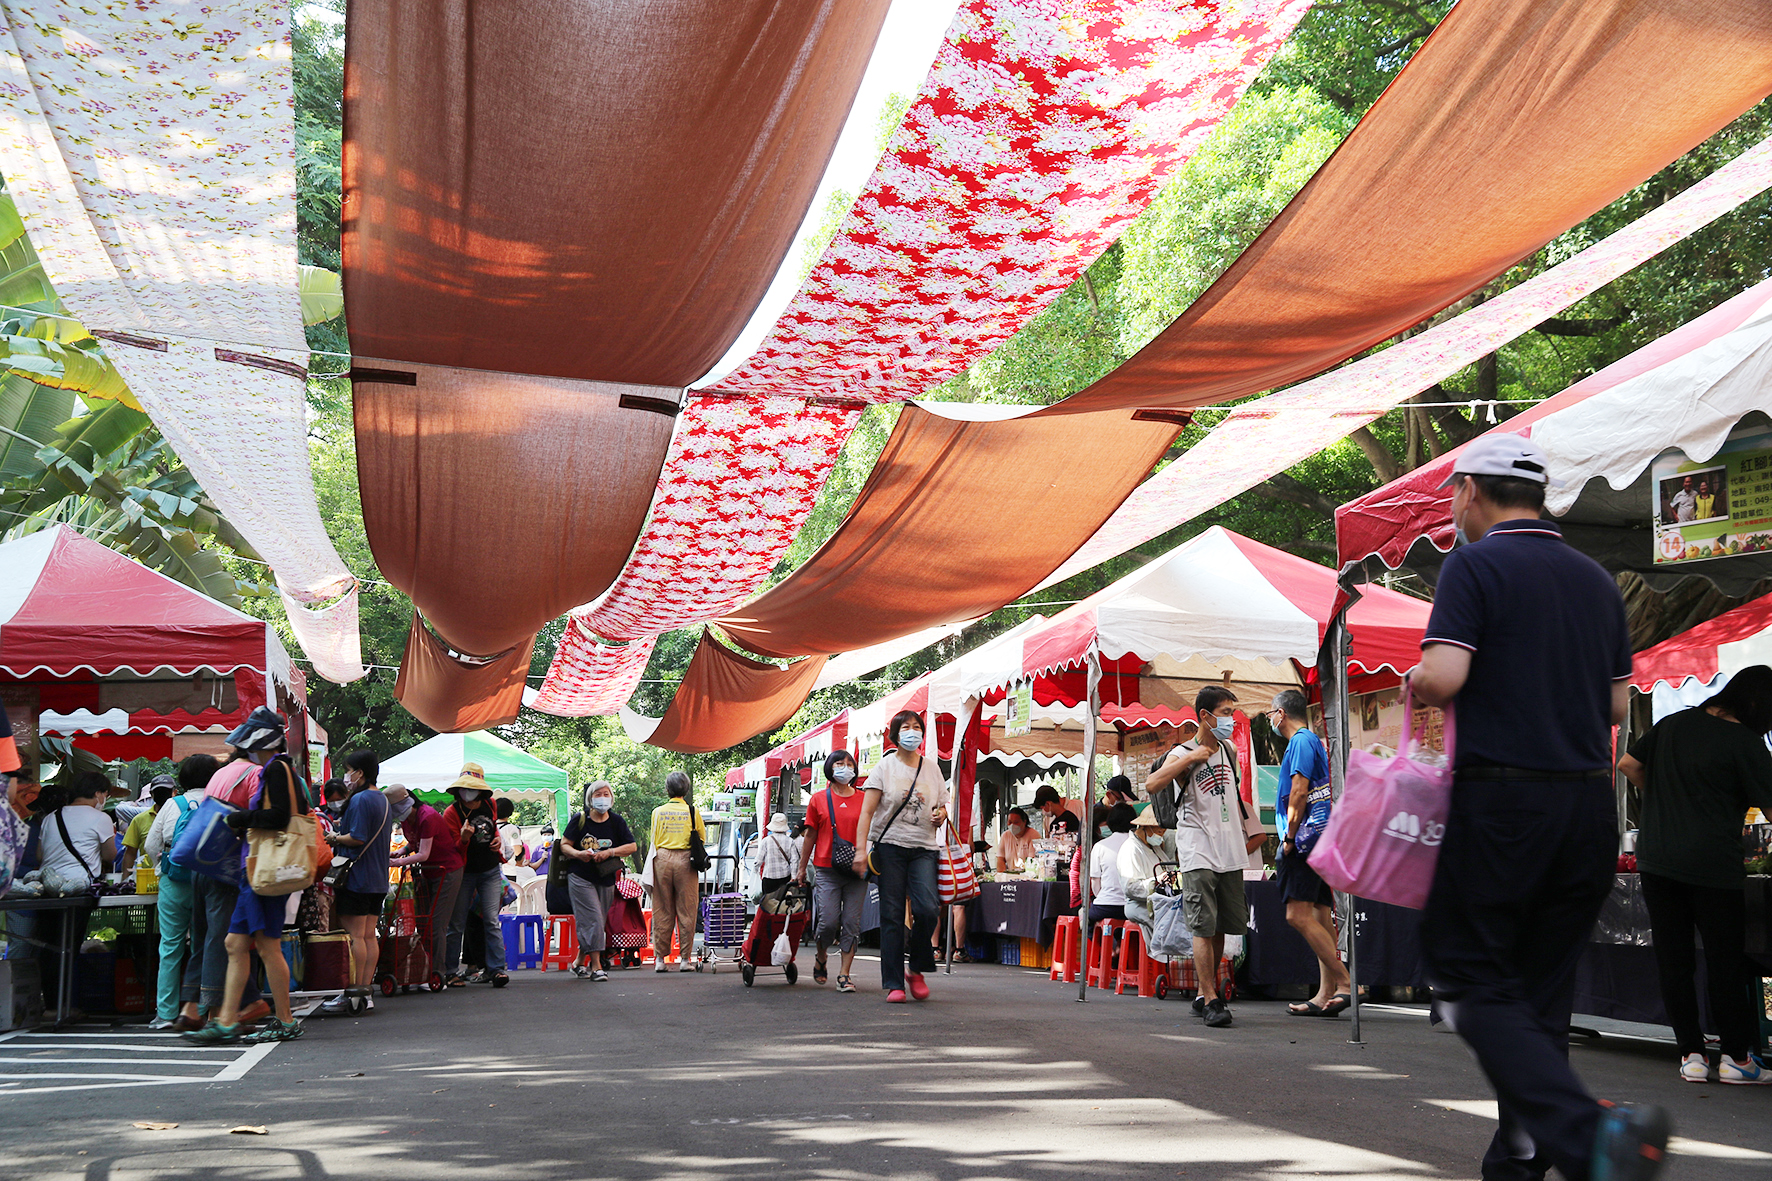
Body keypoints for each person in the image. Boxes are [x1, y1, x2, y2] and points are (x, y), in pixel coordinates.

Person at [1409, 433, 1667, 1180]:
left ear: (1470, 492)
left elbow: (1447, 673)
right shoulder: (1595, 580)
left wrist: (1422, 682)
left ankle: (1590, 1137)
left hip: (1502, 802)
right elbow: (1618, 700)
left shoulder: (1473, 563)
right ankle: (1522, 1160)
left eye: (1455, 495)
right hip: (1587, 806)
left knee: (1464, 973)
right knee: (1539, 995)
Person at [1617, 665, 1772, 1084]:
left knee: (1675, 959)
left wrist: (1668, 796)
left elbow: (1628, 764)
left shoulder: (1672, 724)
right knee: (1724, 961)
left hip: (1656, 860)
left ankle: (1691, 1055)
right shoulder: (1745, 742)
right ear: (1757, 705)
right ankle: (1736, 1059)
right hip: (1712, 866)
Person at [185, 707, 308, 1044]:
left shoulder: (277, 768)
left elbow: (279, 817)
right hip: (255, 870)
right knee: (235, 943)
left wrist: (242, 820)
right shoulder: (277, 767)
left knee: (265, 945)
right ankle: (226, 1020)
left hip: (264, 871)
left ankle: (283, 1020)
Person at [1145, 686, 1244, 1029]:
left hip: (1230, 851)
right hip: (1197, 849)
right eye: (1226, 712)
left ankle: (1206, 992)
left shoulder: (1230, 750)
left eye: (1233, 712)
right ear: (1205, 715)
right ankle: (1212, 998)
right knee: (1202, 925)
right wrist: (1190, 759)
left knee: (1221, 927)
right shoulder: (1182, 752)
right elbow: (1152, 785)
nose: (1231, 719)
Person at [1266, 690, 1350, 1018]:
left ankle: (1345, 982)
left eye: (1271, 713)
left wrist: (1288, 837)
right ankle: (1325, 993)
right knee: (1317, 914)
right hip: (1316, 840)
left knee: (1296, 915)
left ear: (1282, 713)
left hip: (1301, 840)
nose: (1270, 720)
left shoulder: (1300, 741)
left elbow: (1299, 790)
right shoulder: (1311, 740)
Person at [853, 710, 948, 1003]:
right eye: (905, 727)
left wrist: (941, 815)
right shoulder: (885, 767)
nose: (912, 731)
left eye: (916, 727)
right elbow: (867, 812)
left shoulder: (932, 768)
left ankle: (916, 968)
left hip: (924, 848)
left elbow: (942, 806)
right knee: (892, 915)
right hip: (890, 847)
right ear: (895, 734)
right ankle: (894, 983)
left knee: (928, 908)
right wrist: (860, 850)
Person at [143, 754, 216, 1031]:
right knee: (203, 945)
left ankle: (165, 1013)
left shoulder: (173, 804)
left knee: (170, 945)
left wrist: (162, 867)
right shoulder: (217, 803)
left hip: (174, 880)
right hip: (208, 881)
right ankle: (200, 1009)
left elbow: (152, 844)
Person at [320, 750, 391, 1015]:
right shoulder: (382, 798)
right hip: (377, 878)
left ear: (359, 772)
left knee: (354, 936)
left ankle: (353, 992)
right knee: (368, 935)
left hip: (357, 877)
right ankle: (366, 991)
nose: (347, 776)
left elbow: (358, 837)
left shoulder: (360, 799)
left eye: (349, 770)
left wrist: (334, 838)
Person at [797, 749, 866, 992]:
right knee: (827, 922)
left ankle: (844, 975)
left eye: (849, 763)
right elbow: (810, 835)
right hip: (826, 868)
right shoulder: (818, 799)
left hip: (857, 870)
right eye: (839, 763)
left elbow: (872, 832)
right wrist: (801, 868)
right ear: (830, 768)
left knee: (851, 923)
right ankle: (821, 955)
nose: (845, 767)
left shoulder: (864, 798)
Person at [386, 783, 463, 989]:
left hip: (446, 871)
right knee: (423, 922)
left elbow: (424, 853)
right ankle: (422, 967)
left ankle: (438, 973)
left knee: (437, 924)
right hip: (428, 872)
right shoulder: (406, 820)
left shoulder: (427, 816)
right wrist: (400, 852)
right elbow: (414, 844)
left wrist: (397, 862)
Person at [560, 781, 636, 982]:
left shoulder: (617, 822)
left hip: (606, 878)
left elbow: (632, 846)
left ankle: (578, 962)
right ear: (590, 799)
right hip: (580, 877)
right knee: (593, 919)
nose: (603, 798)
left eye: (606, 794)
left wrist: (610, 852)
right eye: (598, 794)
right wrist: (578, 854)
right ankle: (596, 967)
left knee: (597, 922)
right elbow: (564, 845)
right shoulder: (580, 820)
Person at [442, 764, 509, 987]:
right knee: (457, 922)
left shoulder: (490, 804)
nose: (467, 792)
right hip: (464, 873)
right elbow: (452, 850)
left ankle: (497, 969)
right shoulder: (451, 813)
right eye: (464, 788)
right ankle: (450, 971)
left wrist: (498, 839)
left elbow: (493, 829)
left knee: (491, 920)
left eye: (471, 788)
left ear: (481, 790)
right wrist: (462, 839)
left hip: (490, 871)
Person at [648, 771, 705, 972]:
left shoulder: (657, 812)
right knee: (687, 909)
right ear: (686, 790)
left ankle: (660, 961)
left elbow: (653, 840)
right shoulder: (693, 811)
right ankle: (684, 960)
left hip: (661, 860)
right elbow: (702, 840)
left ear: (667, 790)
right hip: (685, 861)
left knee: (662, 908)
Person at [37, 771, 116, 893]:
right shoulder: (101, 818)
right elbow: (110, 856)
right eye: (105, 795)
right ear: (97, 793)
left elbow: (40, 855)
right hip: (78, 885)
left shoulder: (51, 817)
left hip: (46, 885)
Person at [118, 774, 175, 877]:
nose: (162, 794)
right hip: (146, 879)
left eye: (166, 791)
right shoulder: (139, 819)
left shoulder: (180, 816)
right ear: (151, 794)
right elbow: (130, 852)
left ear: (174, 793)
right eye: (158, 792)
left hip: (173, 877)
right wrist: (125, 879)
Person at [1088, 803, 1134, 925]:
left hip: (1105, 906)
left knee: (1088, 922)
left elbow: (1095, 883)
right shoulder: (1139, 845)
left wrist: (1103, 896)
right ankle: (1121, 943)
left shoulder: (1099, 846)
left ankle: (1101, 943)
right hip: (1131, 907)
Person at [756, 812, 798, 896]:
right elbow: (794, 860)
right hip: (785, 877)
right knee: (782, 904)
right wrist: (793, 876)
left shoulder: (766, 841)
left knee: (769, 905)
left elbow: (758, 860)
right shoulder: (790, 841)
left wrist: (755, 872)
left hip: (769, 877)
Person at [995, 807, 1037, 873]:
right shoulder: (1005, 836)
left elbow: (1033, 861)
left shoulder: (1033, 836)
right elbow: (1000, 859)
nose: (1012, 825)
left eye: (1016, 822)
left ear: (1024, 822)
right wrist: (1002, 876)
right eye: (1010, 822)